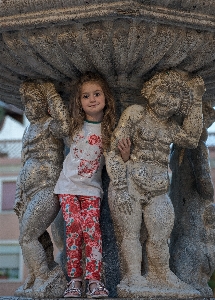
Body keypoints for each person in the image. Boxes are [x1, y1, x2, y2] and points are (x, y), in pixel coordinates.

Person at [106, 70, 204, 297]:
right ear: (149, 91)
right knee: (130, 235)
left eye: (174, 96)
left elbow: (191, 138)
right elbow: (113, 150)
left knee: (160, 236)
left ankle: (161, 274)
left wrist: (197, 99)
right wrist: (120, 185)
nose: (166, 99)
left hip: (159, 188)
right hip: (129, 183)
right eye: (162, 91)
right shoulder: (135, 114)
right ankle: (133, 276)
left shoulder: (170, 126)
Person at [54, 72, 116, 298]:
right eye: (85, 96)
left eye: (97, 94)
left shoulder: (110, 131)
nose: (92, 99)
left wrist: (126, 154)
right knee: (73, 227)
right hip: (68, 186)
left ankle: (94, 281)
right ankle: (75, 281)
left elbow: (118, 160)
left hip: (91, 189)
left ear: (106, 97)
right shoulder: (74, 124)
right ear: (78, 102)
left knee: (92, 230)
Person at [14, 80, 70, 297]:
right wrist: (19, 193)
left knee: (26, 237)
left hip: (47, 189)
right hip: (28, 193)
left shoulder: (50, 125)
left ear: (44, 102)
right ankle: (36, 274)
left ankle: (44, 276)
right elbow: (24, 162)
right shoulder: (28, 130)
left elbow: (65, 126)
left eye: (34, 101)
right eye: (25, 102)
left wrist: (50, 93)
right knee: (36, 236)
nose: (29, 106)